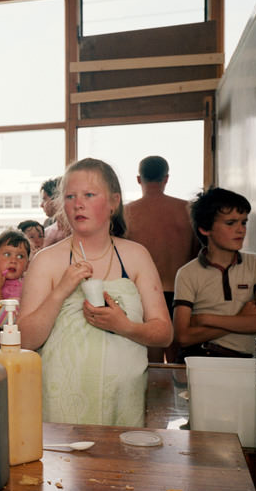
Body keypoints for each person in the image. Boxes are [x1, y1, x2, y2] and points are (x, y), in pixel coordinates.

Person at [17, 158, 172, 427]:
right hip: (60, 408)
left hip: (124, 403)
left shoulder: (135, 256)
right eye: (70, 196)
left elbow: (164, 333)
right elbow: (24, 341)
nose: (78, 204)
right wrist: (61, 291)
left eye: (89, 195)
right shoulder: (46, 261)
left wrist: (123, 325)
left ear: (114, 202)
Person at [173, 187, 256, 359]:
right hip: (200, 357)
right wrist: (240, 318)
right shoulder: (187, 273)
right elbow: (183, 337)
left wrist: (205, 319)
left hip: (244, 361)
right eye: (230, 223)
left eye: (243, 222)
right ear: (205, 229)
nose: (241, 230)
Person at [124, 156, 199, 362]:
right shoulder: (188, 210)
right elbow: (197, 255)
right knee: (179, 362)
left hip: (144, 294)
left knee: (152, 363)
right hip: (183, 294)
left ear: (139, 179)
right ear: (166, 178)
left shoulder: (127, 213)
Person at [0, 229, 29, 319]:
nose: (13, 261)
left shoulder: (24, 291)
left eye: (20, 256)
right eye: (7, 254)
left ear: (27, 265)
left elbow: (4, 321)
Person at [40, 177, 70, 247]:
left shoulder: (78, 229)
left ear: (57, 198)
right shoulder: (47, 231)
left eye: (45, 199)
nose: (41, 205)